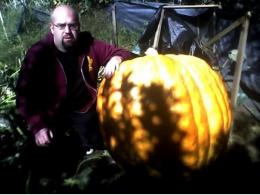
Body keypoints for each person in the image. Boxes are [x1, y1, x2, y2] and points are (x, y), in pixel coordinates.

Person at [15, 4, 134, 190]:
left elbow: (124, 52)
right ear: (52, 28)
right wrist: (38, 126)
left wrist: (116, 58)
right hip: (52, 117)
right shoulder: (38, 54)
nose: (68, 31)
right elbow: (24, 95)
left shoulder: (88, 43)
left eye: (73, 25)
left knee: (103, 167)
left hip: (85, 112)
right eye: (62, 26)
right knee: (45, 170)